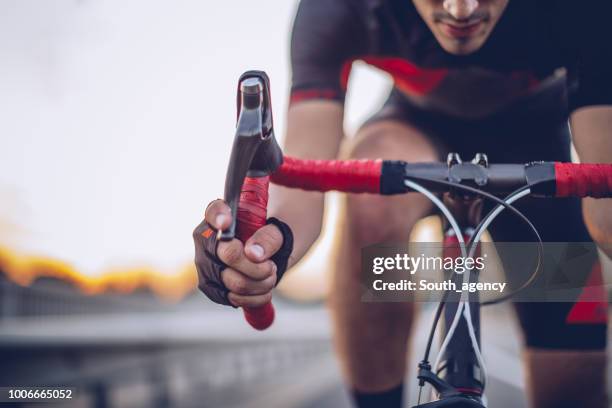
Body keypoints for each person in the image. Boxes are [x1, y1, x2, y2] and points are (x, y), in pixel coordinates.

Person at [194, 1, 612, 406]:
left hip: (534, 147)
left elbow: (606, 210)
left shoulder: (585, 8)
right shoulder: (339, 8)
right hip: (412, 132)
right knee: (372, 182)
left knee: (573, 388)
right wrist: (265, 246)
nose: (460, 10)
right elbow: (301, 185)